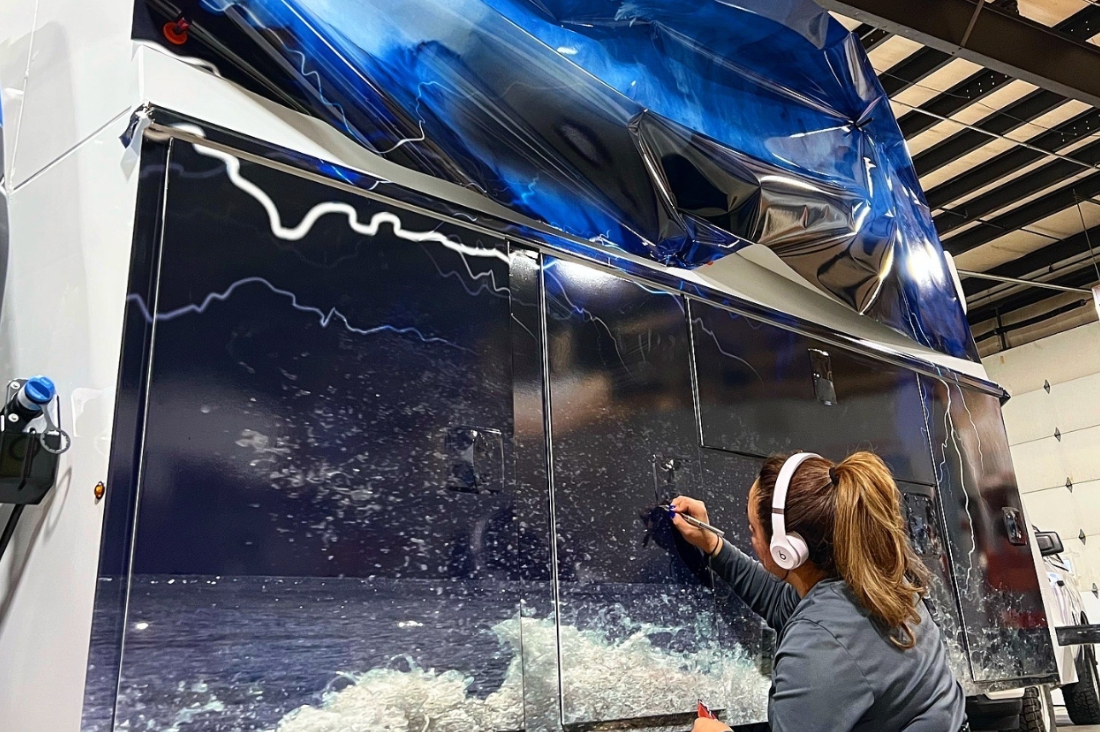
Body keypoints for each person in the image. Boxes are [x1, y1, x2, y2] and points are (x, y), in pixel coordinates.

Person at [671, 451, 967, 732]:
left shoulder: (817, 644)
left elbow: (818, 633)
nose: (751, 538)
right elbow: (780, 601)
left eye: (752, 529)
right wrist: (713, 544)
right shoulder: (876, 577)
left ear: (785, 550)